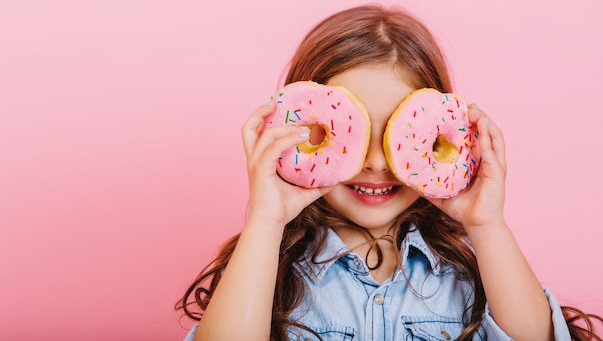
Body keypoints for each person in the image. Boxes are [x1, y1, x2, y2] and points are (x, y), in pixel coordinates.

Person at [176, 5, 602, 341]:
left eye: (399, 137)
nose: (377, 162)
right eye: (352, 135)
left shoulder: (470, 270)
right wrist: (266, 222)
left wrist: (487, 225)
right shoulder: (268, 266)